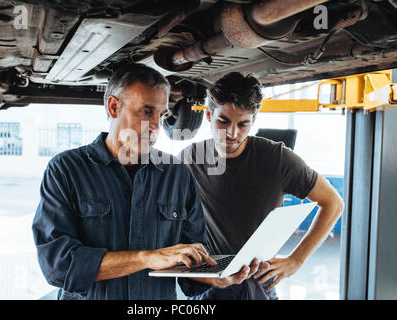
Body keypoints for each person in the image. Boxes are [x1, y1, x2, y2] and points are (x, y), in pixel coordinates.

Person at [32, 63, 255, 300]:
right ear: (114, 106)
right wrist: (147, 258)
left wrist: (214, 274)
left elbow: (192, 257)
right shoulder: (66, 170)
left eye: (162, 115)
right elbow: (57, 265)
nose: (157, 127)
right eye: (147, 111)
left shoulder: (176, 174)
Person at [180, 72, 345, 300]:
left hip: (256, 284)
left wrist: (296, 260)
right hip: (209, 284)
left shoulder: (276, 158)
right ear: (209, 115)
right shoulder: (190, 157)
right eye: (224, 121)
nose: (232, 133)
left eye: (243, 124)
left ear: (254, 121)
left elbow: (333, 203)